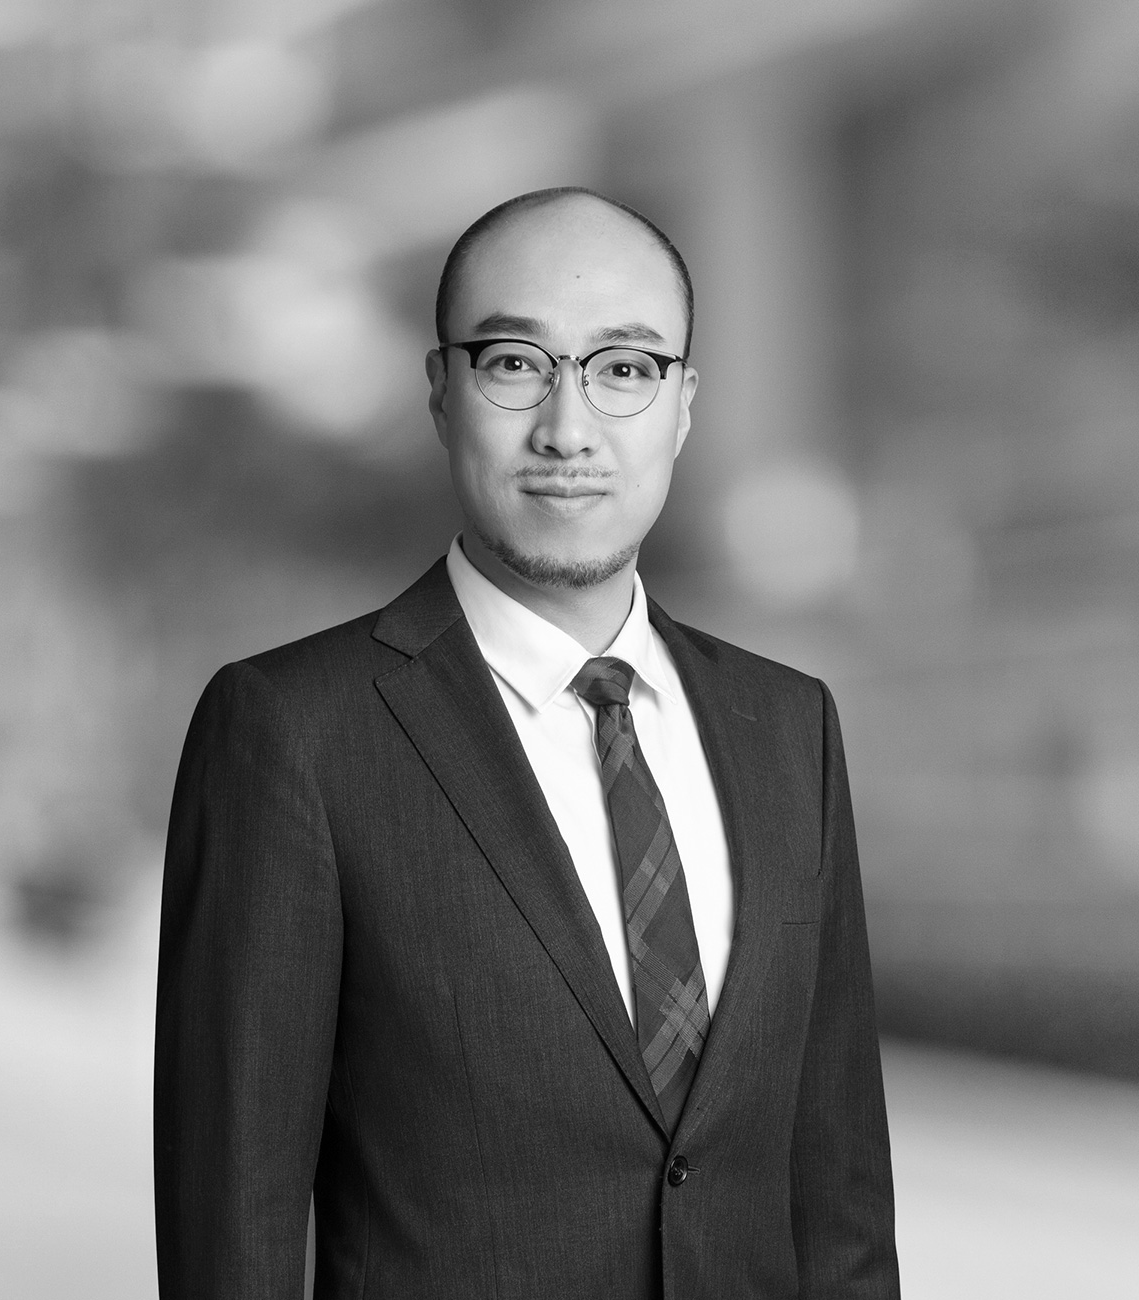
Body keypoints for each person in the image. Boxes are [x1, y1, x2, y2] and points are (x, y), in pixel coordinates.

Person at [155, 187, 899, 1299]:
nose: (568, 428)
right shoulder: (291, 731)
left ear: (681, 405)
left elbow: (838, 1210)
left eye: (624, 368)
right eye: (513, 363)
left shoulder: (788, 727)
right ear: (440, 392)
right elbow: (234, 1225)